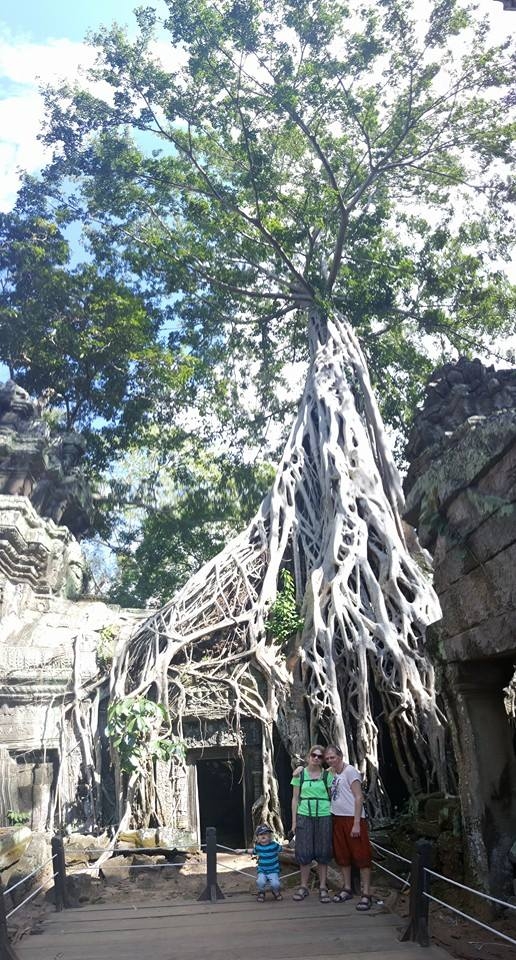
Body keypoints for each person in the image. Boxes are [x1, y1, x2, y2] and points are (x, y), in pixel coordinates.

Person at [324, 743, 373, 911]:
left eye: (333, 757)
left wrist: (357, 823)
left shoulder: (350, 771)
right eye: (328, 758)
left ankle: (366, 893)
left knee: (362, 855)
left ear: (340, 756)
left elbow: (359, 797)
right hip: (337, 818)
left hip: (353, 818)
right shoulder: (332, 773)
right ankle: (347, 888)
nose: (330, 760)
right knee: (342, 855)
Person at [290, 744, 333, 903]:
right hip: (304, 815)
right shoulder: (299, 775)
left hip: (324, 814)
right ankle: (303, 886)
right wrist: (294, 821)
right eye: (313, 755)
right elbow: (295, 798)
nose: (316, 758)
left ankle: (322, 886)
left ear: (323, 760)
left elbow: (331, 796)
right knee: (304, 852)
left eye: (319, 756)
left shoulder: (327, 776)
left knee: (323, 852)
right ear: (308, 756)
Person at [247, 824, 284, 902]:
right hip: (262, 870)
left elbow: (282, 849)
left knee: (275, 884)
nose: (263, 836)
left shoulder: (274, 845)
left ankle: (275, 891)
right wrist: (241, 850)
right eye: (261, 834)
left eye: (265, 834)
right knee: (260, 882)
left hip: (273, 870)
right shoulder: (258, 847)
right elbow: (252, 851)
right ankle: (261, 892)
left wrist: (292, 851)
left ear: (270, 836)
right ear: (257, 837)